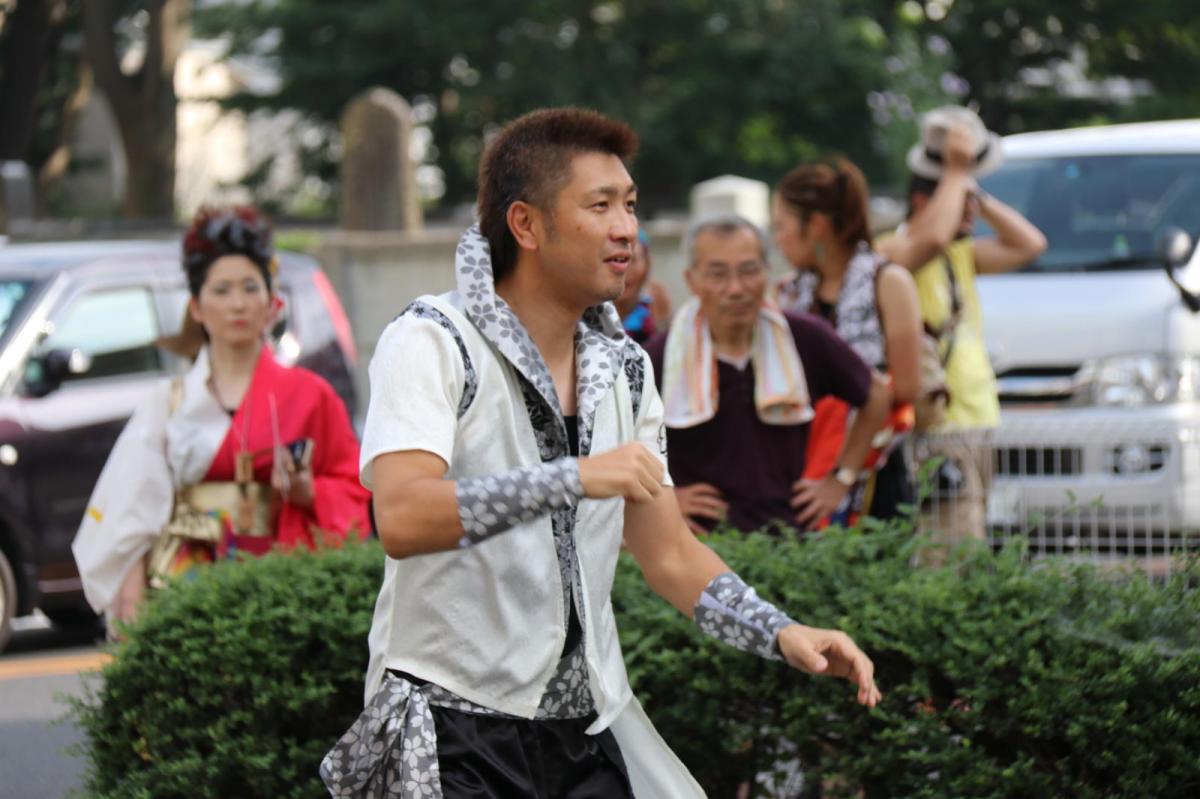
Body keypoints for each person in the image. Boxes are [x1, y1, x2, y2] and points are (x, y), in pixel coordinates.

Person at [321, 108, 880, 799]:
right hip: (447, 731)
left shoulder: (627, 369)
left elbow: (669, 554)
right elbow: (403, 517)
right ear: (526, 225)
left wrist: (780, 631)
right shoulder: (433, 339)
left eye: (631, 205)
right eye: (601, 205)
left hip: (584, 729)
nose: (626, 229)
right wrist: (573, 477)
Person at [73, 206, 371, 629]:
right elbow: (132, 512)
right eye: (221, 290)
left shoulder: (311, 396)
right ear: (196, 307)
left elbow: (355, 488)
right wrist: (133, 611)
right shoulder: (168, 403)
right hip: (181, 589)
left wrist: (308, 493)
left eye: (250, 287)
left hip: (282, 587)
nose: (237, 304)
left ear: (272, 303)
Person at [644, 214, 892, 536]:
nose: (736, 289)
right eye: (718, 274)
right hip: (697, 544)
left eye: (749, 271)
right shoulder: (661, 357)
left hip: (789, 539)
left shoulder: (802, 337)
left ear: (767, 271)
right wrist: (661, 498)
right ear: (692, 280)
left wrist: (840, 479)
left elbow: (877, 394)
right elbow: (612, 442)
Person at [876, 106, 1047, 559]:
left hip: (977, 418)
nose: (970, 212)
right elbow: (929, 240)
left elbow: (1030, 244)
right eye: (961, 201)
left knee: (968, 539)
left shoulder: (960, 254)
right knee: (949, 548)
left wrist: (971, 187)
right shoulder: (892, 252)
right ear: (924, 202)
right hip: (936, 424)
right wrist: (955, 171)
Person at [773, 158, 923, 524]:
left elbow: (906, 386)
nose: (777, 240)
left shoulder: (888, 282)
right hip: (804, 474)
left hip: (873, 474)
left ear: (817, 226)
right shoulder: (790, 292)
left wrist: (842, 472)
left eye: (781, 226)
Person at [615, 228, 672, 343]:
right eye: (617, 260)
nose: (624, 270)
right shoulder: (589, 313)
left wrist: (663, 325)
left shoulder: (656, 309)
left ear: (647, 265)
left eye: (633, 260)